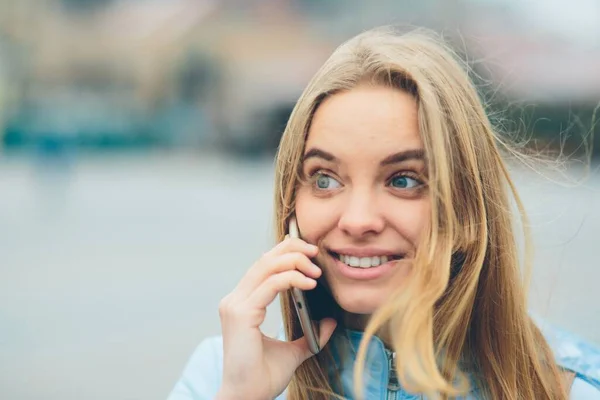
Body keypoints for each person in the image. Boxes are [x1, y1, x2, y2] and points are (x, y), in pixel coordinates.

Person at [167, 27, 600, 399]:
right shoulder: (222, 375)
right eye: (324, 179)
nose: (357, 221)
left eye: (403, 180)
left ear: (468, 211)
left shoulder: (567, 388)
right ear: (291, 203)